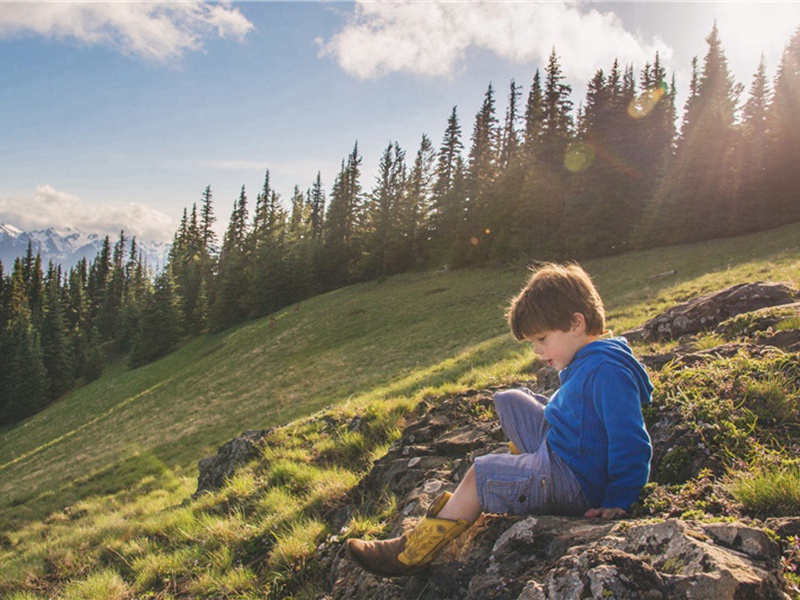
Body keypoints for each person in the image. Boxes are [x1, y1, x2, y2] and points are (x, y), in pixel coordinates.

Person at [347, 262, 653, 577]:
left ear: (577, 323)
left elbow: (630, 439)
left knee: (480, 474)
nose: (536, 350)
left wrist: (619, 497)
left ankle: (409, 553)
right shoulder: (590, 358)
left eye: (542, 339)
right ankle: (530, 470)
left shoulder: (607, 371)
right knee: (510, 400)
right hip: (563, 451)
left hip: (574, 481)